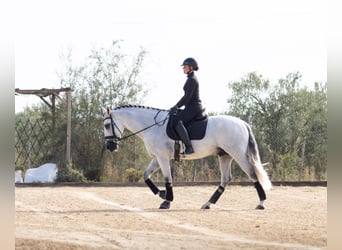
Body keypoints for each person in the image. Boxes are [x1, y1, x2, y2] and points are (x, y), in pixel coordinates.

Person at [170, 57, 204, 155]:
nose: (183, 68)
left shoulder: (192, 80)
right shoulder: (190, 78)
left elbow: (187, 97)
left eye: (185, 66)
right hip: (191, 106)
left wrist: (176, 106)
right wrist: (176, 106)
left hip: (194, 107)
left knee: (178, 122)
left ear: (191, 67)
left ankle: (189, 147)